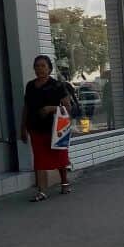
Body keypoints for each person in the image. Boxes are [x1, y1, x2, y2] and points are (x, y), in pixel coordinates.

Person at [20, 54, 72, 202]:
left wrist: (51, 108)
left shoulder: (57, 85)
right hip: (35, 127)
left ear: (49, 68)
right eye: (37, 66)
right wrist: (22, 127)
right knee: (39, 159)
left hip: (54, 128)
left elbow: (67, 108)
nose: (40, 69)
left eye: (43, 66)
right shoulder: (30, 86)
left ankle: (64, 182)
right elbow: (26, 107)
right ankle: (42, 191)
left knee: (59, 157)